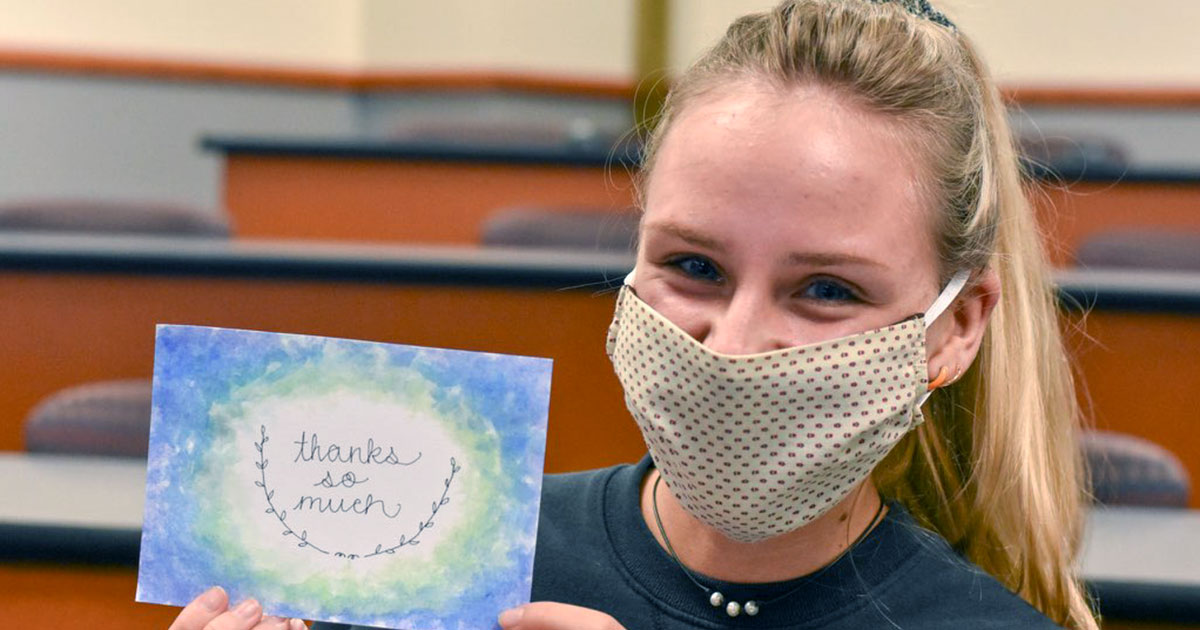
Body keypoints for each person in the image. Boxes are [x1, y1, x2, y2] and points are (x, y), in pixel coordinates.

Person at [168, 1, 1096, 628]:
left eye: (827, 290)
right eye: (693, 266)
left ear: (956, 326)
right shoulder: (450, 561)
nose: (733, 347)